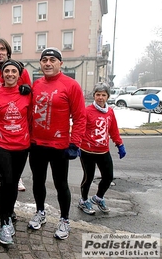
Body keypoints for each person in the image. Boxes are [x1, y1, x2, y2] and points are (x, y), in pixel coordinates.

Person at [28, 47, 86, 240]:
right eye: (44, 60)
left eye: (52, 60)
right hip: (36, 144)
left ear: (60, 63)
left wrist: (74, 143)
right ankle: (40, 212)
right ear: (40, 63)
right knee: (38, 181)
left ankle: (64, 220)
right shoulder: (36, 84)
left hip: (60, 146)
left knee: (61, 184)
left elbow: (80, 117)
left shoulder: (71, 85)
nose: (48, 63)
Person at [0, 38, 32, 221]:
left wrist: (28, 88)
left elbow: (28, 99)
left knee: (8, 177)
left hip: (15, 133)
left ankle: (8, 207)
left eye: (2, 49)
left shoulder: (21, 72)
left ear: (8, 53)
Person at [78, 83, 126, 215]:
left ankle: (98, 198)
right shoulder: (87, 111)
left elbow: (113, 129)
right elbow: (79, 128)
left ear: (107, 96)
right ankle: (83, 201)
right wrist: (75, 144)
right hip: (87, 151)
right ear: (94, 96)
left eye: (103, 95)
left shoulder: (110, 112)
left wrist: (119, 144)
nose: (100, 97)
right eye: (98, 94)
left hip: (103, 151)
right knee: (88, 177)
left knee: (108, 176)